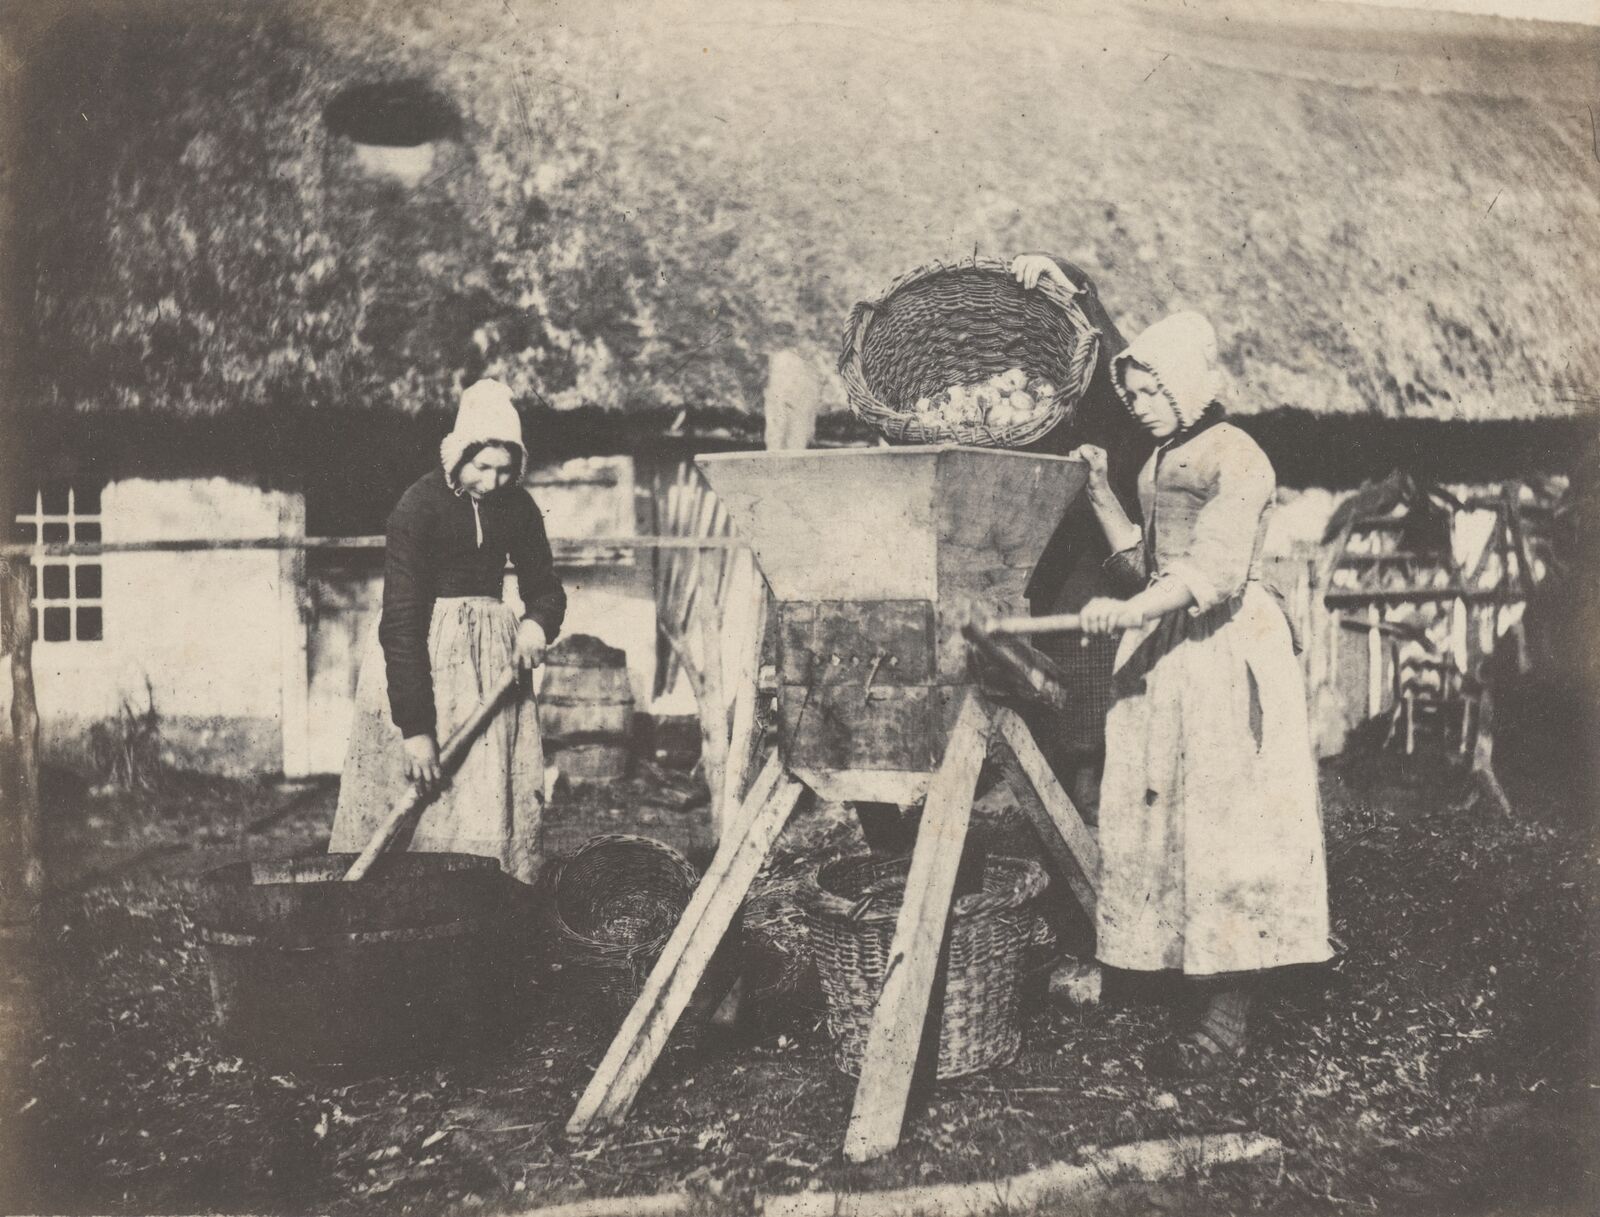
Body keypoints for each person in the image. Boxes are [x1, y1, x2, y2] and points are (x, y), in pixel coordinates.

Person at [1070, 311, 1330, 1070]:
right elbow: (1145, 568)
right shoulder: (1156, 462)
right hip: (1173, 652)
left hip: (1224, 651)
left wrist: (1130, 612)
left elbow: (1209, 572)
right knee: (1162, 811)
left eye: (1152, 391)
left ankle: (1227, 1014)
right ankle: (1167, 968)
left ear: (1186, 384)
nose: (1141, 405)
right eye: (1135, 394)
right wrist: (1097, 491)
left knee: (1227, 824)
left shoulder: (1239, 457)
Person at [329, 379, 567, 885]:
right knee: (414, 798)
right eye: (483, 467)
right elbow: (402, 623)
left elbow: (545, 588)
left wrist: (535, 625)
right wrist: (415, 729)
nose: (494, 480)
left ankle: (485, 905)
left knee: (484, 796)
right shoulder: (418, 507)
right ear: (459, 454)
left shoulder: (519, 509)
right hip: (425, 665)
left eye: (506, 470)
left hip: (493, 672)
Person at [1009, 253, 1149, 823]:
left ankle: (1092, 825)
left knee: (1096, 728)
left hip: (1106, 568)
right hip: (1046, 571)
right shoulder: (1030, 400)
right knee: (1053, 724)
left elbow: (1119, 375)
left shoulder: (1113, 390)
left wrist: (1076, 288)